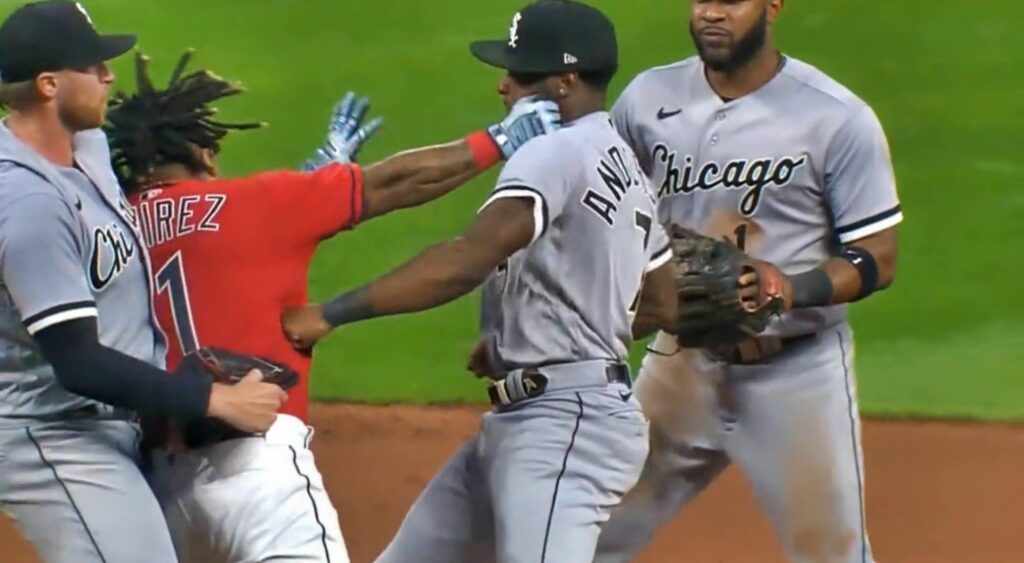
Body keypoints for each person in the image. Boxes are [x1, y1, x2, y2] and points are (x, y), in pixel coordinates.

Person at [104, 46, 561, 562]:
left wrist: (309, 183)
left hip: (159, 492)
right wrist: (499, 140)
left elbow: (199, 255)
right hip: (258, 473)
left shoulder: (112, 234)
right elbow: (398, 183)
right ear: (204, 153)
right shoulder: (259, 202)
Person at [283, 2, 680, 562]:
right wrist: (547, 338)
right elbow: (664, 304)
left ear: (564, 82)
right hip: (534, 419)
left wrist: (329, 314)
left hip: (564, 429)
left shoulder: (551, 151)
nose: (504, 86)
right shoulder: (624, 163)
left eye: (520, 75)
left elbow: (465, 259)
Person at [593, 1, 902, 562]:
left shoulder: (835, 117)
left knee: (832, 556)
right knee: (586, 534)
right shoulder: (646, 100)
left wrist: (789, 288)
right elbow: (608, 218)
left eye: (731, 1)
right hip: (680, 363)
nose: (712, 13)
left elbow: (876, 256)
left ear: (773, 6)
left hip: (796, 375)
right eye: (702, 0)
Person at [0, 3, 286, 562]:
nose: (110, 75)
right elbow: (78, 362)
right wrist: (211, 400)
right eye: (95, 65)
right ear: (50, 85)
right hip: (54, 436)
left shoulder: (88, 147)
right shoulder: (28, 203)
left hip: (114, 418)